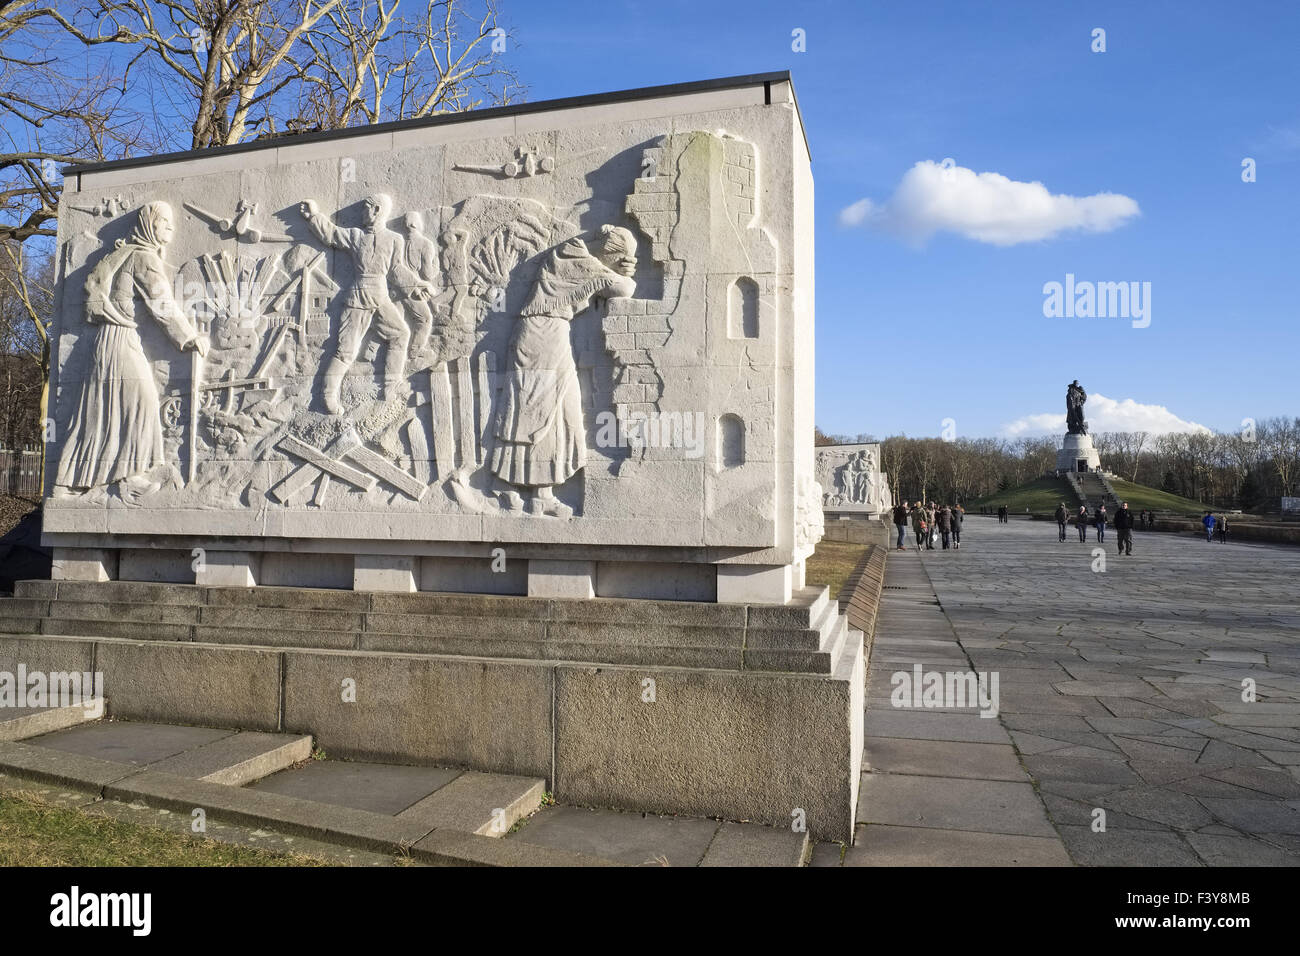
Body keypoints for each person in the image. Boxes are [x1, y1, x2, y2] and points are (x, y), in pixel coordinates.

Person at [55, 201, 208, 502]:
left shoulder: (124, 252)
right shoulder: (142, 257)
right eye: (165, 222)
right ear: (150, 224)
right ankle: (121, 476)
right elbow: (160, 303)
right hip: (120, 340)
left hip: (110, 340)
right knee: (142, 402)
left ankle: (83, 480)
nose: (171, 229)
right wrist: (189, 337)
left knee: (101, 409)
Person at [491, 225, 637, 516]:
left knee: (558, 410)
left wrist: (619, 268)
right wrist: (623, 273)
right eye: (617, 258)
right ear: (609, 253)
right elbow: (622, 288)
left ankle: (529, 490)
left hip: (548, 331)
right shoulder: (574, 255)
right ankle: (532, 492)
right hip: (542, 334)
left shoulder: (580, 254)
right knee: (543, 411)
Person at [300, 193, 415, 413]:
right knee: (346, 351)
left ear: (377, 210)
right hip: (358, 296)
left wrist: (417, 285)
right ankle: (328, 396)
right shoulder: (355, 235)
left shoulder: (394, 239)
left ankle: (391, 388)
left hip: (380, 296)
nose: (362, 213)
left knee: (401, 334)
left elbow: (397, 271)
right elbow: (331, 234)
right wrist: (314, 216)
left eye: (366, 208)